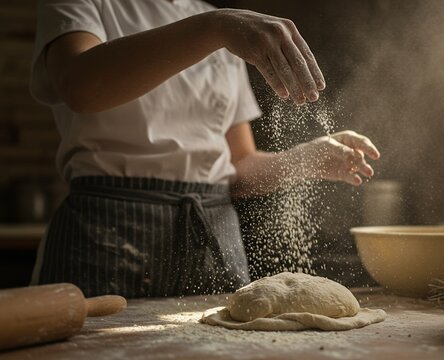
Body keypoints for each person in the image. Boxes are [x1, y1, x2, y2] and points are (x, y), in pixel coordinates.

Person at [29, 0, 380, 298]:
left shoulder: (220, 23)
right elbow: (80, 86)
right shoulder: (215, 26)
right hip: (104, 241)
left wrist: (303, 159)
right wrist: (215, 29)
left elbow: (239, 167)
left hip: (212, 240)